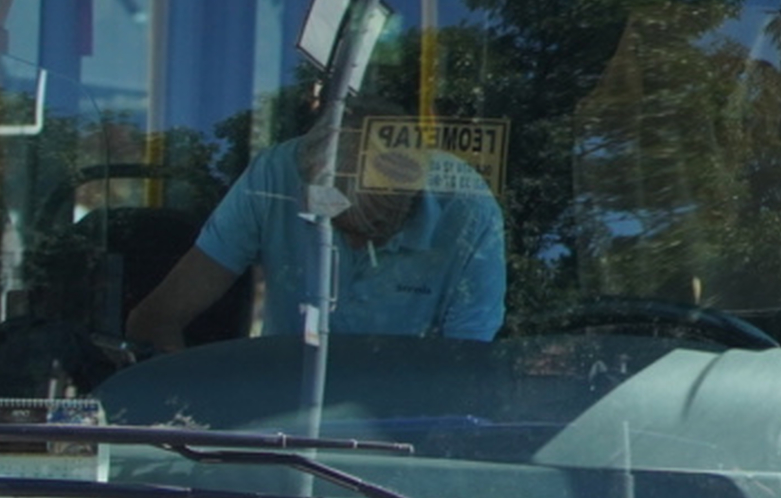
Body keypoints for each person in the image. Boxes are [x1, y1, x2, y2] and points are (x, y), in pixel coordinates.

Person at [127, 126, 504, 352]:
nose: (357, 248)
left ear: (411, 200)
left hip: (405, 433)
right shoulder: (275, 178)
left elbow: (465, 366)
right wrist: (181, 417)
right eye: (343, 229)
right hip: (277, 425)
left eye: (375, 230)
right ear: (311, 187)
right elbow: (155, 320)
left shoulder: (467, 210)